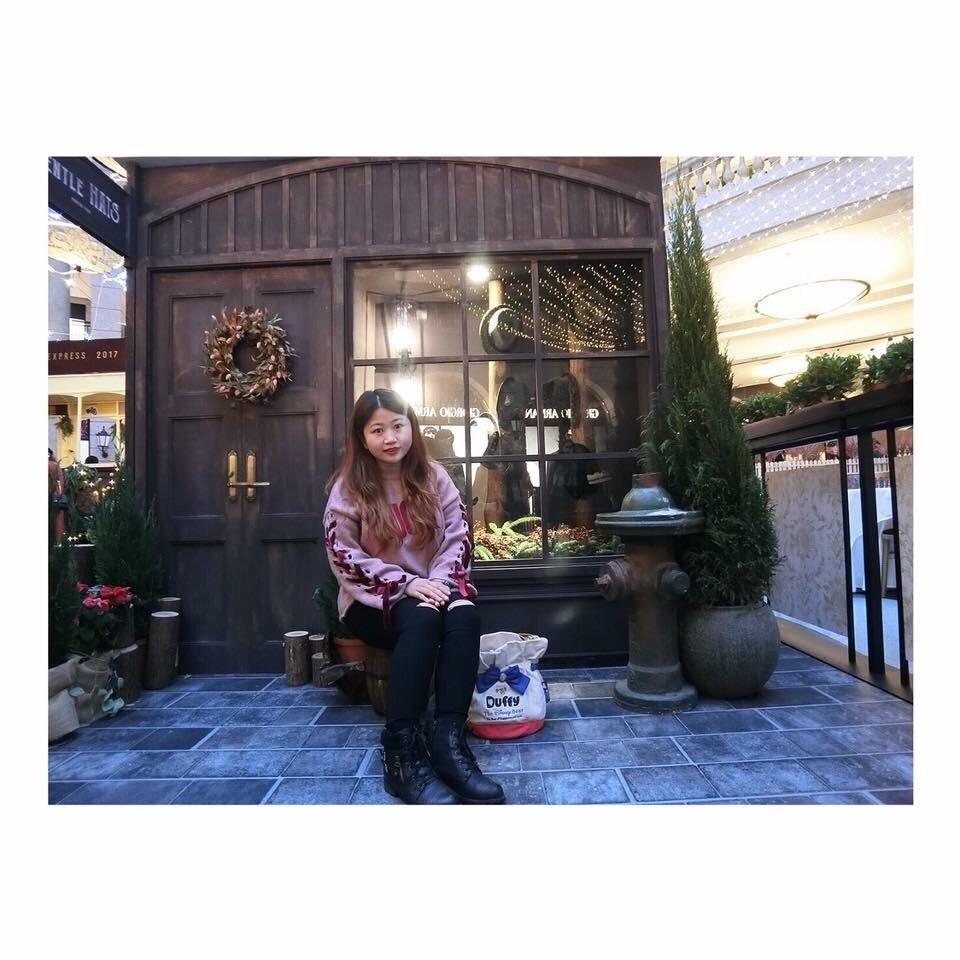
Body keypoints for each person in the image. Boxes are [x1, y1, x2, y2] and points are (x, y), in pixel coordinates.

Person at [324, 388, 504, 805]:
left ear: (412, 428)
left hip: (435, 587)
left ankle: (448, 744)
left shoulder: (434, 476)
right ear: (362, 437)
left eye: (398, 426)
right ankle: (401, 756)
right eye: (377, 430)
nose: (390, 438)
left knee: (464, 616)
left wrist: (438, 582)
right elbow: (342, 554)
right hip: (372, 599)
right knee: (422, 619)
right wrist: (404, 583)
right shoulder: (348, 489)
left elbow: (459, 536)